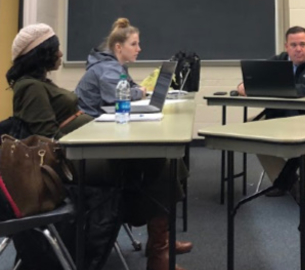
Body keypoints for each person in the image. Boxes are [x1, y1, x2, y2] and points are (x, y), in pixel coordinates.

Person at [7, 22, 189, 270]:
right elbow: (46, 140)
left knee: (163, 161)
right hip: (68, 163)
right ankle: (159, 253)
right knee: (157, 162)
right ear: (42, 54)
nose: (61, 54)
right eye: (56, 49)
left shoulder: (41, 83)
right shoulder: (29, 88)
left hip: (83, 148)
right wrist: (89, 131)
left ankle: (159, 247)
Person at [237, 26, 305, 206]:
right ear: (286, 47)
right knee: (249, 129)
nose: (298, 49)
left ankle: (303, 188)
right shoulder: (278, 61)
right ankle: (288, 182)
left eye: (302, 44)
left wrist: (287, 90)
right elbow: (256, 78)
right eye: (293, 45)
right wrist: (243, 86)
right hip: (281, 116)